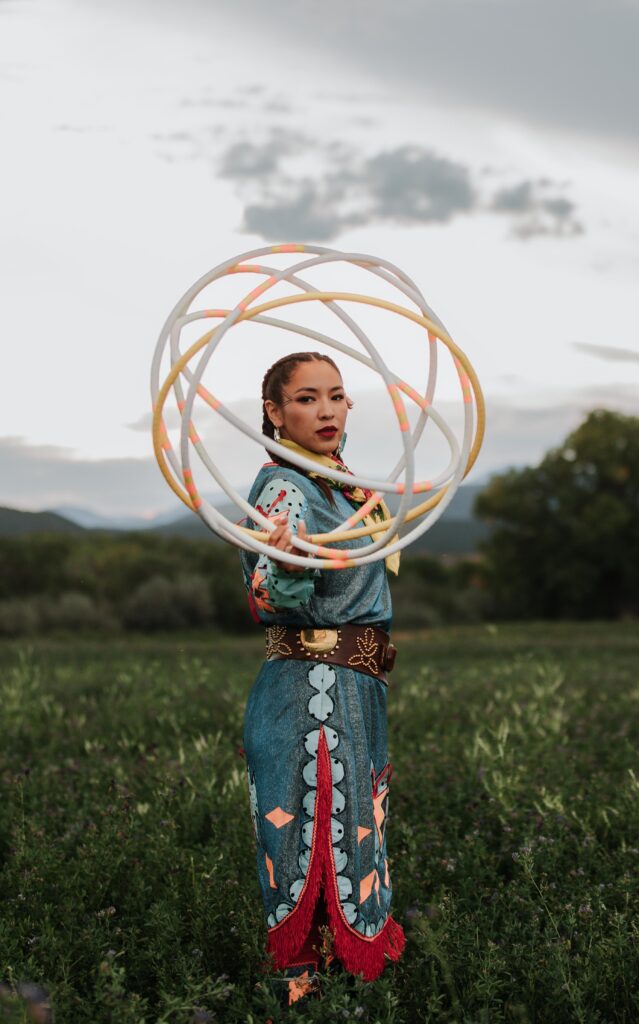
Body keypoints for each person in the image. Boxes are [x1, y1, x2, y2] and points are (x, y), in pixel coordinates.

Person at [239, 351, 405, 1006]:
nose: (327, 409)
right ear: (274, 414)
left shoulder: (343, 487)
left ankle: (341, 986)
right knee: (312, 828)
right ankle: (305, 994)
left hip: (352, 689)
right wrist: (284, 558)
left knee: (354, 826)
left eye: (335, 396)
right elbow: (273, 593)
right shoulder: (288, 492)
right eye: (306, 399)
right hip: (312, 689)